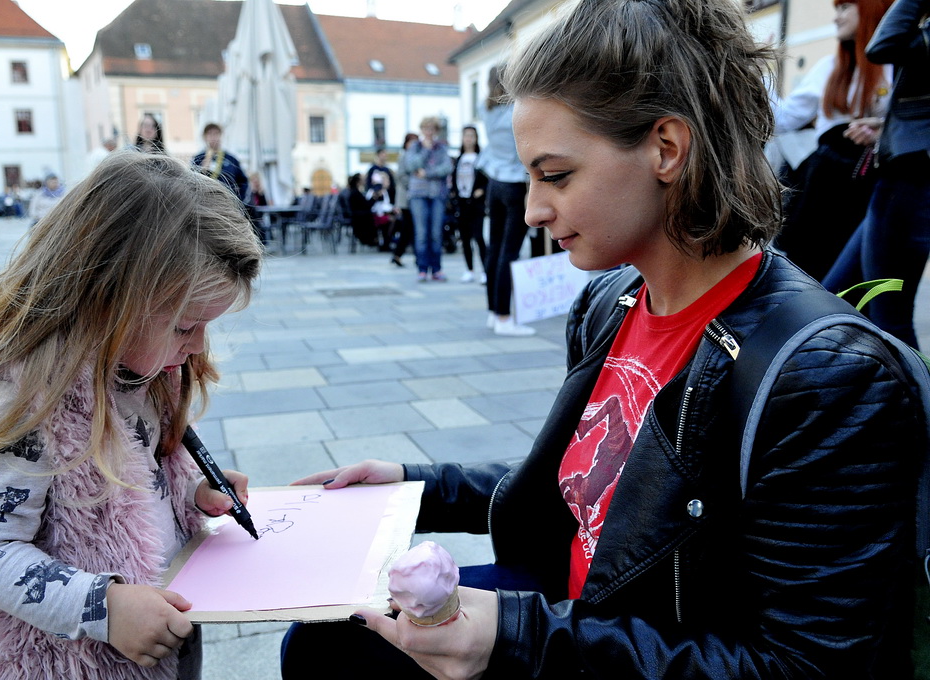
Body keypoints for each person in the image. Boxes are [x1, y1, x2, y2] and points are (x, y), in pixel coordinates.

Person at [279, 0, 925, 677]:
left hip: (622, 648)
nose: (532, 209)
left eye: (555, 175)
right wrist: (417, 485)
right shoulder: (611, 301)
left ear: (666, 149)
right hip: (576, 619)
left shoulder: (827, 377)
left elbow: (806, 666)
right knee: (322, 636)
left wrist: (517, 639)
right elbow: (604, 484)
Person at [0, 151, 264, 680]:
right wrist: (105, 608)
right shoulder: (25, 396)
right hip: (76, 661)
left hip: (157, 637)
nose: (198, 346)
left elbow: (139, 469)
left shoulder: (138, 369)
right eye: (183, 326)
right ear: (109, 298)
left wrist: (193, 490)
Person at [823, 0, 930, 349]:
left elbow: (883, 44)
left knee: (889, 318)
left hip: (910, 180)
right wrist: (886, 128)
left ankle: (915, 400)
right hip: (903, 178)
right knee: (837, 295)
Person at [771, 0, 894, 282]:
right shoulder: (829, 67)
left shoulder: (898, 69)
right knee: (813, 277)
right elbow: (783, 118)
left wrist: (883, 131)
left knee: (860, 283)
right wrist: (755, 73)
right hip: (824, 190)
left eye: (844, 8)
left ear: (870, 10)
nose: (836, 18)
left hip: (873, 192)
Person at [480, 66, 536, 336]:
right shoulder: (516, 110)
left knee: (495, 249)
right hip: (514, 183)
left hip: (494, 181)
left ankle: (494, 312)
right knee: (509, 252)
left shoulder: (486, 109)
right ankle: (504, 317)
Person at [403, 117, 452, 282]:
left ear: (436, 131)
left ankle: (436, 269)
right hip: (418, 195)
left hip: (437, 194)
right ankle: (422, 268)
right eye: (426, 128)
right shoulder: (415, 147)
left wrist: (427, 173)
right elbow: (410, 166)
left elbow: (447, 167)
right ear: (422, 130)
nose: (429, 132)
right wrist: (425, 151)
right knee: (422, 233)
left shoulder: (442, 148)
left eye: (432, 128)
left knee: (436, 233)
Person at [450, 125, 489, 284]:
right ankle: (469, 270)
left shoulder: (481, 157)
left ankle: (486, 271)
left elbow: (488, 178)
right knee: (465, 238)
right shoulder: (458, 159)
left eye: (472, 135)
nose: (469, 139)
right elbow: (454, 180)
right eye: (466, 135)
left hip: (476, 204)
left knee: (479, 237)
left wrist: (482, 190)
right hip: (462, 203)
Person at [191, 123, 248, 203]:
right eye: (210, 134)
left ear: (221, 136)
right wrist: (202, 169)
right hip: (206, 203)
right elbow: (191, 181)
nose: (213, 137)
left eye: (216, 133)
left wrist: (239, 200)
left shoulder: (230, 159)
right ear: (204, 137)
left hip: (228, 203)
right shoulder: (198, 159)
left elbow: (243, 182)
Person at [389, 132, 419, 268]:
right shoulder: (404, 157)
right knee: (409, 228)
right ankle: (400, 254)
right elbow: (401, 176)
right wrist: (415, 185)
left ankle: (399, 254)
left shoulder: (416, 157)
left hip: (412, 197)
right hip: (406, 199)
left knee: (409, 228)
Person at [346, 172, 378, 247]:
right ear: (358, 182)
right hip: (359, 218)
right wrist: (374, 198)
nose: (365, 181)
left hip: (358, 216)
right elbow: (366, 205)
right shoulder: (355, 193)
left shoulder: (354, 192)